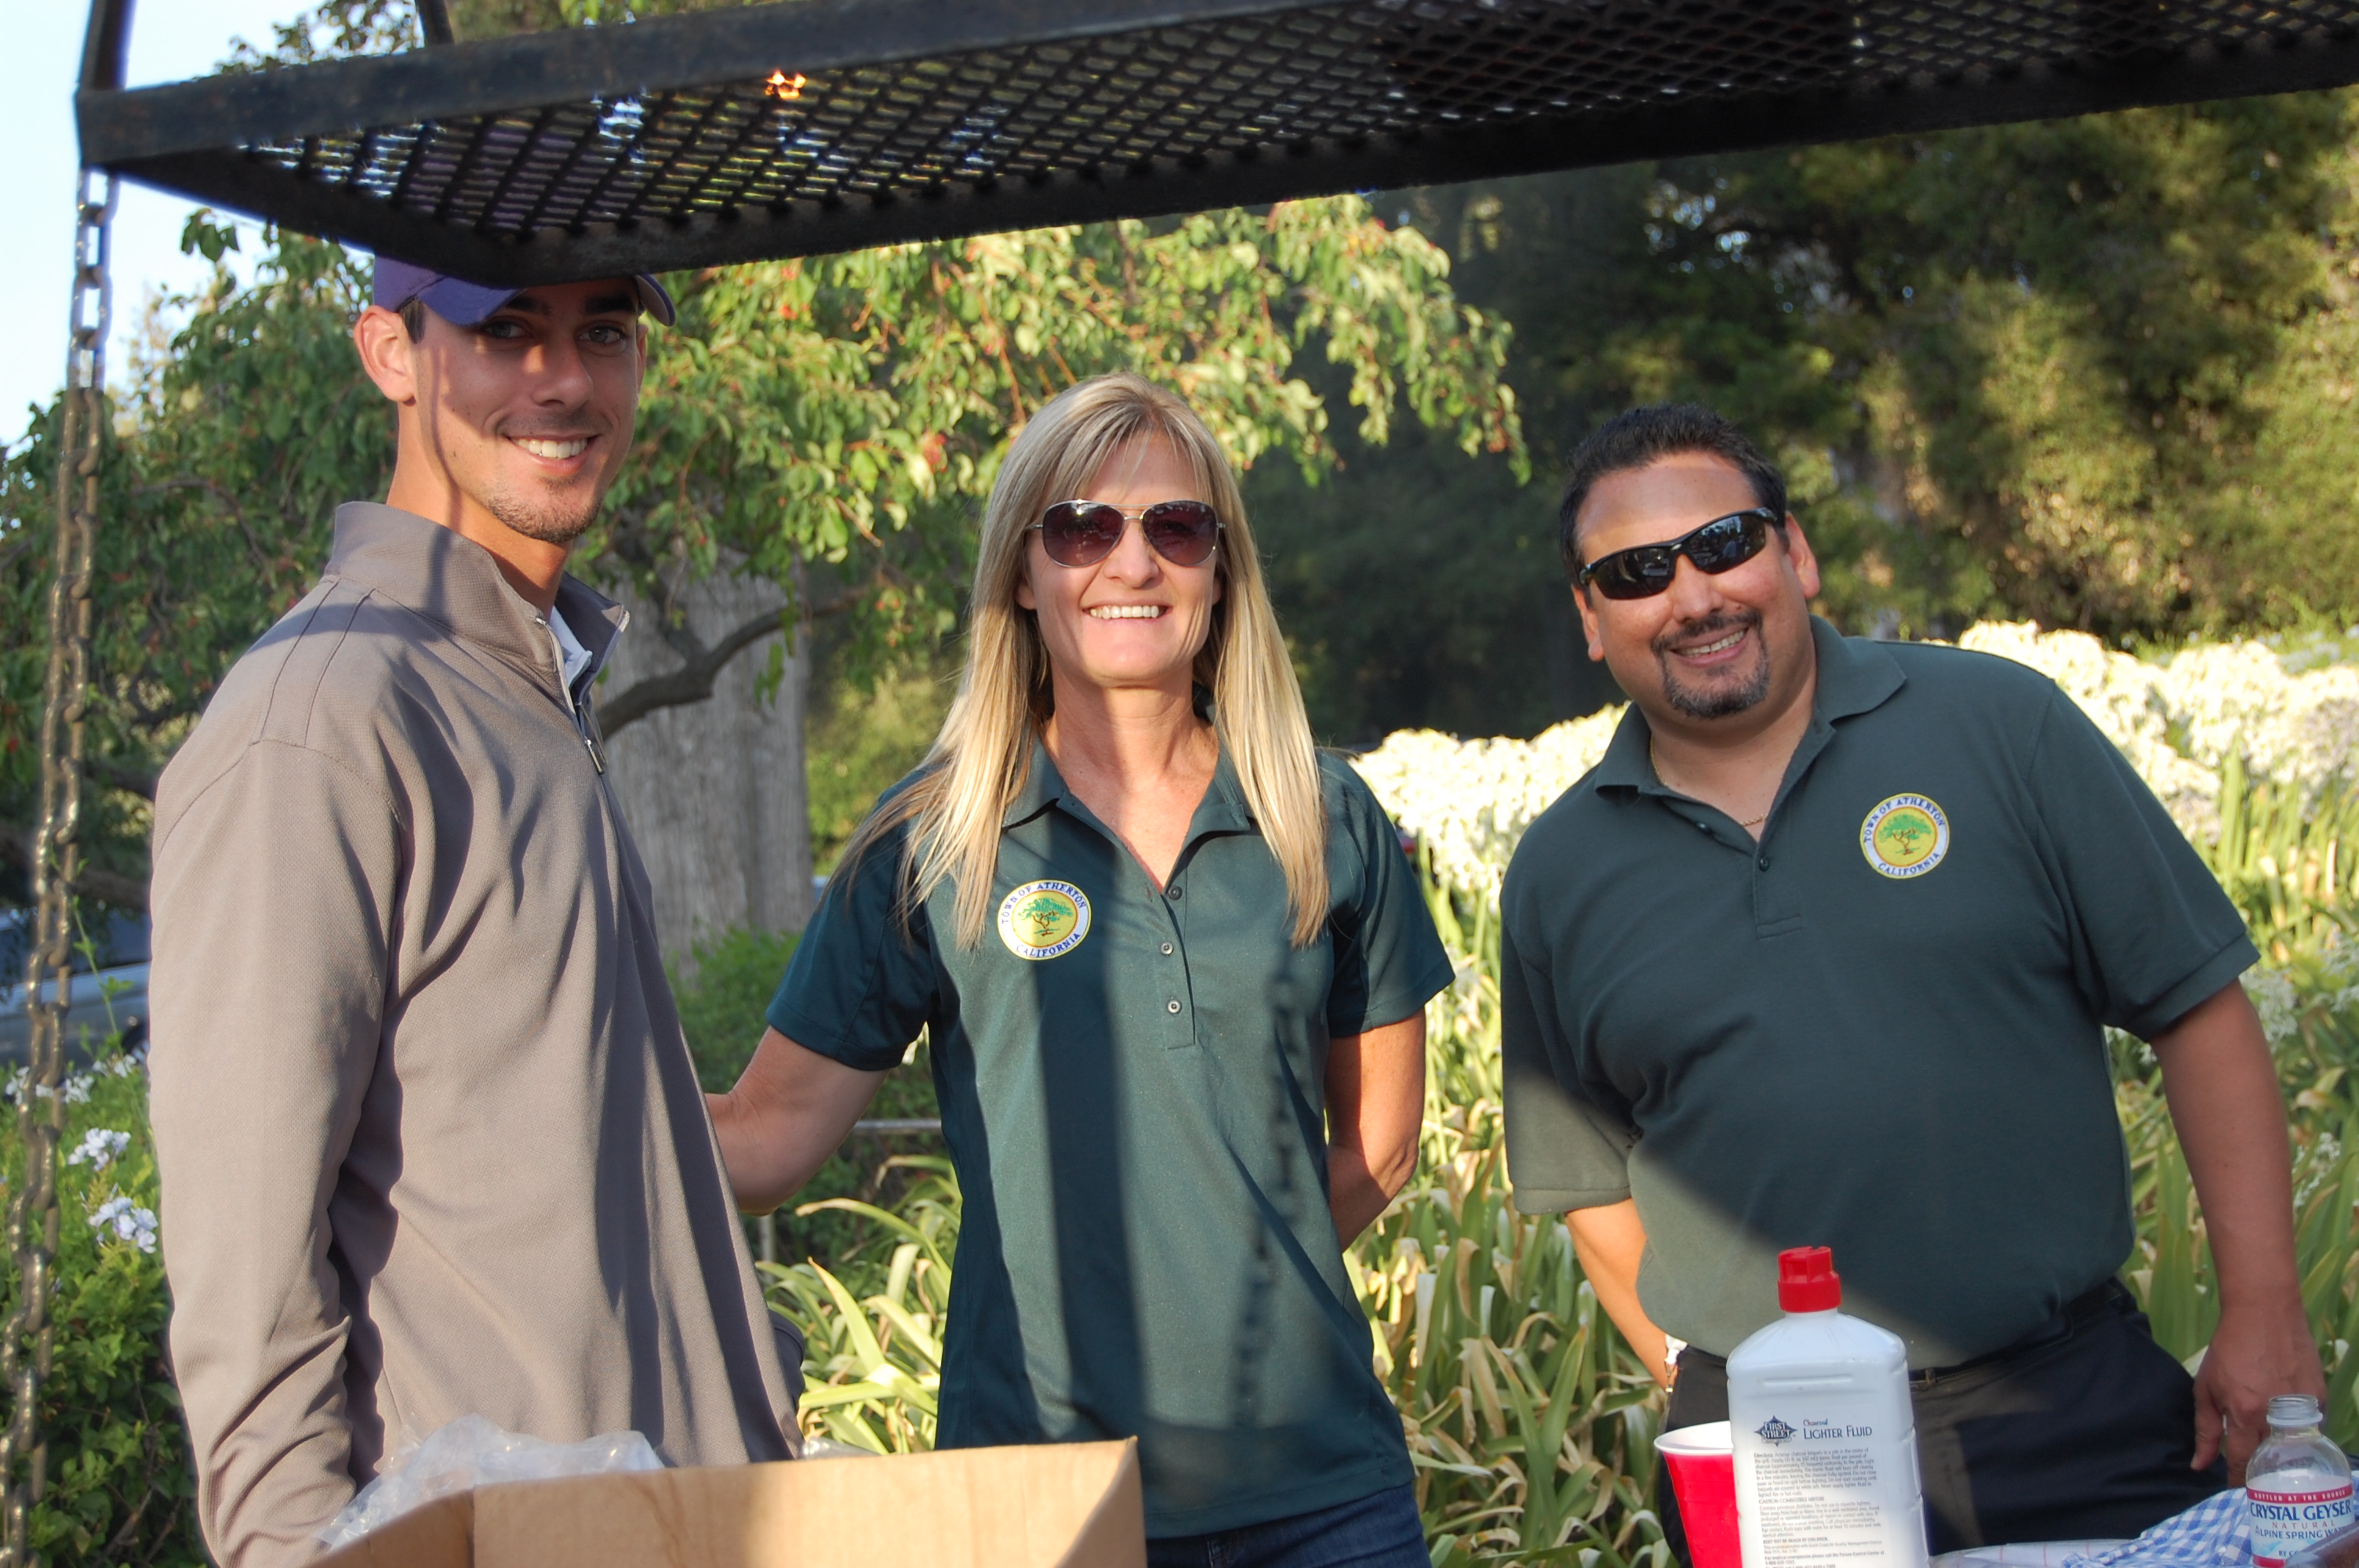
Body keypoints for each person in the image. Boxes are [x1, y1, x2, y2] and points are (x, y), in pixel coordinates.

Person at [1499, 403, 2321, 1557]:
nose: (1693, 597)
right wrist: (1700, 1377)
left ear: (1796, 553)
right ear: (1591, 618)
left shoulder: (2000, 726)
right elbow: (1585, 1177)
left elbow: (2195, 1007)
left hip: (2065, 1402)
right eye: (1637, 572)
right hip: (1773, 1453)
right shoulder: (1559, 870)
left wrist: (2266, 1312)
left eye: (1726, 543)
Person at [707, 372, 1454, 1566]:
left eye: (1175, 526)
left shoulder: (1324, 816)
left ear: (1219, 568)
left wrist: (1223, 1280)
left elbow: (1384, 1146)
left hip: (1320, 1495)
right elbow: (762, 1145)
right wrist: (548, 1111)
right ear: (1022, 569)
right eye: (1081, 527)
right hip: (1035, 1499)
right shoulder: (931, 841)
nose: (1132, 562)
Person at [147, 260, 799, 1567]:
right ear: (390, 351)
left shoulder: (521, 679)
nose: (564, 378)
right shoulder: (320, 722)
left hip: (677, 1527)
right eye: (507, 329)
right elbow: (245, 1282)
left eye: (601, 331)